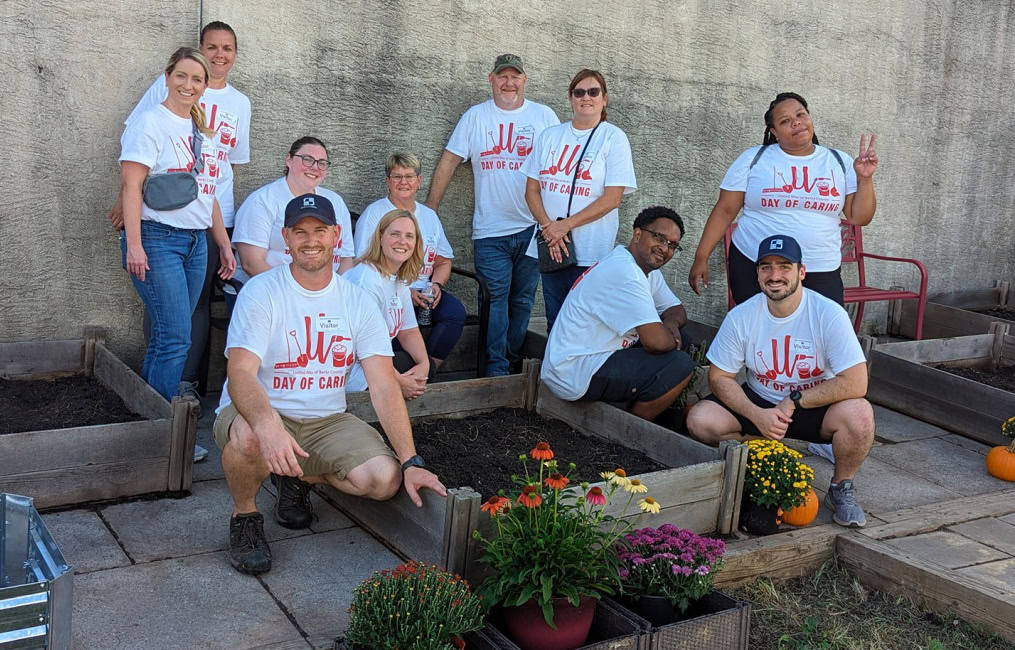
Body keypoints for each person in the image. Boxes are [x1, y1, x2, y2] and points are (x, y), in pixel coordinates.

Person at [214, 194, 446, 575]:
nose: (310, 240)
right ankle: (245, 517)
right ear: (286, 238)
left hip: (326, 419)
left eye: (319, 230)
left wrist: (411, 460)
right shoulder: (261, 292)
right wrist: (269, 426)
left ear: (336, 235)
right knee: (252, 437)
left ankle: (293, 477)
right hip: (260, 410)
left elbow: (384, 385)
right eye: (300, 232)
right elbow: (240, 373)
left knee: (383, 479)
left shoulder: (356, 301)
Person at [685, 234, 874, 528]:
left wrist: (793, 400)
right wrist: (756, 414)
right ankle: (767, 450)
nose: (775, 275)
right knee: (700, 419)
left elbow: (856, 382)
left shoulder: (827, 313)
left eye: (784, 267)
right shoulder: (742, 316)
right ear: (757, 273)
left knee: (860, 415)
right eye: (766, 267)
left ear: (801, 272)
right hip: (760, 400)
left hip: (811, 403)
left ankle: (841, 487)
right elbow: (719, 377)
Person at [112, 21, 251, 410]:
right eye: (182, 76)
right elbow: (131, 186)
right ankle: (164, 429)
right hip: (158, 239)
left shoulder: (201, 130)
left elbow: (209, 193)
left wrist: (223, 244)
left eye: (197, 80)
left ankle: (150, 420)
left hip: (195, 242)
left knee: (169, 337)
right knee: (176, 336)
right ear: (167, 78)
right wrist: (135, 246)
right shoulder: (149, 122)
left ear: (206, 86)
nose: (188, 85)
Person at [425, 54, 559, 376]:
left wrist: (560, 222)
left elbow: (559, 169)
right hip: (490, 230)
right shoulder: (476, 117)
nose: (508, 83)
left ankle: (511, 364)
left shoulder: (544, 117)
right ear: (491, 79)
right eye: (503, 76)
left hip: (534, 227)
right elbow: (449, 161)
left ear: (525, 80)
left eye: (515, 77)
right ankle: (497, 372)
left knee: (523, 300)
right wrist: (430, 209)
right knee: (495, 299)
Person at [688, 92, 879, 307]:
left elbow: (860, 217)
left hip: (819, 267)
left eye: (801, 114)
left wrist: (865, 178)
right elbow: (724, 210)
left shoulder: (838, 161)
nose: (796, 122)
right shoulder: (753, 159)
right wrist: (701, 257)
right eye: (785, 121)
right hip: (757, 264)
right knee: (759, 330)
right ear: (774, 132)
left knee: (819, 333)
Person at [540, 206, 694, 421]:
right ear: (638, 234)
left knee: (681, 340)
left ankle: (640, 406)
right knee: (680, 364)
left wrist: (671, 325)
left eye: (672, 245)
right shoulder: (626, 272)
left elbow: (677, 311)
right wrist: (669, 333)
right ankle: (629, 428)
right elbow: (656, 343)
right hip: (573, 371)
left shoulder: (643, 268)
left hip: (598, 355)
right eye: (659, 237)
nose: (664, 248)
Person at [522, 68, 637, 333]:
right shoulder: (550, 136)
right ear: (571, 98)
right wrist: (549, 228)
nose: (586, 97)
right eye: (579, 92)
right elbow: (531, 190)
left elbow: (612, 198)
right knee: (555, 319)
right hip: (551, 244)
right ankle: (554, 374)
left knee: (582, 324)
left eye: (593, 91)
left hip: (591, 249)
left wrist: (565, 226)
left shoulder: (613, 137)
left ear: (604, 99)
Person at [354, 153, 463, 368]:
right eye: (397, 177)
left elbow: (443, 261)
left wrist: (436, 285)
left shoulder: (429, 216)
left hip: (425, 291)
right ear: (388, 181)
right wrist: (406, 292)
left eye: (409, 176)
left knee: (455, 313)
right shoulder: (375, 214)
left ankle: (427, 371)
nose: (403, 182)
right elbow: (363, 262)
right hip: (389, 291)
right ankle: (400, 374)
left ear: (419, 181)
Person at [231, 136, 355, 288]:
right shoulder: (263, 200)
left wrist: (335, 293)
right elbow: (251, 263)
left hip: (324, 293)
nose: (315, 167)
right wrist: (296, 293)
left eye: (322, 163)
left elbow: (346, 259)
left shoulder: (335, 202)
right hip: (269, 291)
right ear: (289, 160)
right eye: (307, 159)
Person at [344, 209, 434, 399]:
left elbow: (408, 330)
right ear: (380, 237)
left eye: (409, 236)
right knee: (407, 373)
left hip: (374, 365)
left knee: (423, 367)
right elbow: (362, 348)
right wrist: (400, 382)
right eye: (395, 234)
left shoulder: (398, 279)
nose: (403, 241)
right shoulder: (365, 280)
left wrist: (424, 364)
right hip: (352, 373)